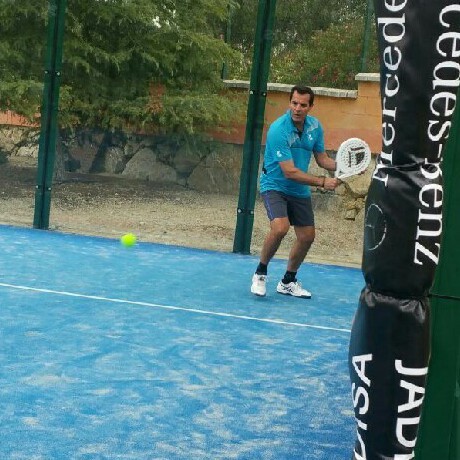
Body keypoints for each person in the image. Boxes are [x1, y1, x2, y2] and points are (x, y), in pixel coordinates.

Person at [251, 85, 340, 298]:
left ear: (310, 106)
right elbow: (289, 172)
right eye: (294, 103)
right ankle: (260, 273)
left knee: (307, 236)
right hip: (275, 185)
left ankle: (288, 281)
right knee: (280, 228)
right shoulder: (278, 129)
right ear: (289, 103)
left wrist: (345, 166)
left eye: (303, 105)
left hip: (298, 189)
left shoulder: (315, 127)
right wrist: (322, 182)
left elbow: (322, 159)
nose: (297, 108)